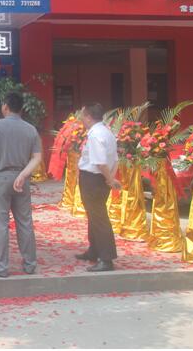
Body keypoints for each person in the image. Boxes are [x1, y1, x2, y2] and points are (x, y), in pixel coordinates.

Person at [0, 92, 42, 278]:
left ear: (6, 107)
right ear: (21, 108)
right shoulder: (31, 129)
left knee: (1, 223)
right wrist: (23, 175)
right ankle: (30, 264)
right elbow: (37, 157)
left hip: (2, 177)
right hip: (22, 178)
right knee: (25, 222)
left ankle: (0, 267)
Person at [76, 102, 121, 272]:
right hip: (100, 179)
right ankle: (94, 250)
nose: (81, 119)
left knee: (99, 217)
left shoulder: (95, 134)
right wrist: (110, 178)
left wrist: (110, 179)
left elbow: (100, 162)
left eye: (82, 116)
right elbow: (115, 159)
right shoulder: (107, 132)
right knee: (94, 215)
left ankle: (106, 258)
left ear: (88, 117)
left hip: (93, 179)